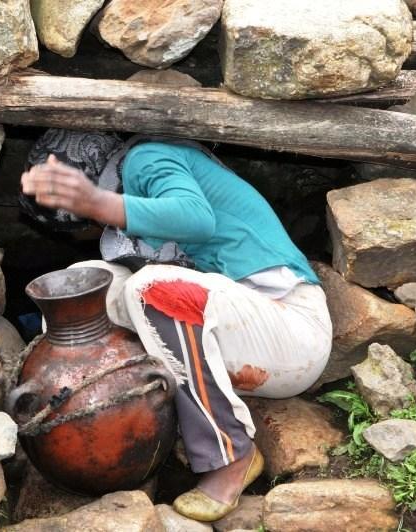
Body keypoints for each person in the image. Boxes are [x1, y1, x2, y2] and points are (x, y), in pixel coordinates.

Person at [20, 129, 332, 522]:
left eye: (81, 218)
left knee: (153, 289)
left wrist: (99, 202)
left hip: (289, 328)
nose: (88, 229)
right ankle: (109, 425)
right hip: (239, 338)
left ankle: (230, 455)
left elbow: (195, 218)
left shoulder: (148, 158)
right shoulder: (128, 193)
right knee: (84, 280)